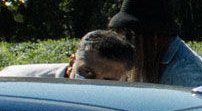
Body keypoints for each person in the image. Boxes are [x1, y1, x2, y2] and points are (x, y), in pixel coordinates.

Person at [110, 0, 202, 86]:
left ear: (149, 37)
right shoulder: (151, 58)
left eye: (127, 34)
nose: (123, 40)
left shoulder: (184, 70)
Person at [2, 30, 138, 81]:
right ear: (72, 63)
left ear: (124, 80)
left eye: (107, 81)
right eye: (87, 73)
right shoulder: (16, 81)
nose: (93, 85)